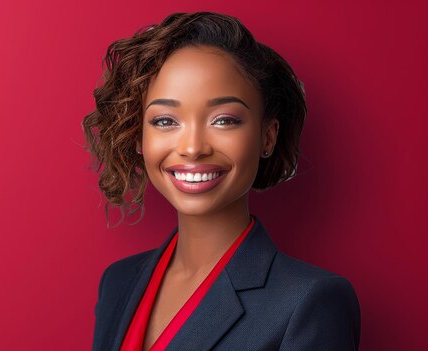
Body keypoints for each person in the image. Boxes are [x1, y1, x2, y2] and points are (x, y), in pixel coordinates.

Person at [82, 12, 360, 351]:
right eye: (166, 120)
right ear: (138, 136)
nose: (193, 147)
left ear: (267, 137)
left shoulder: (309, 303)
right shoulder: (118, 283)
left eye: (224, 119)